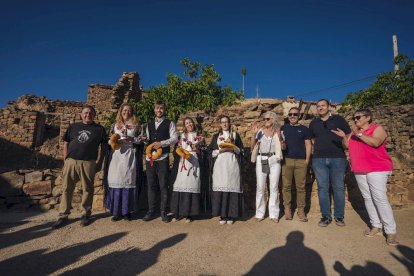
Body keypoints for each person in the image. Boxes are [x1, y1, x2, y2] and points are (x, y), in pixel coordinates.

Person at [332, 109, 399, 246]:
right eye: (354, 118)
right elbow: (347, 146)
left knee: (379, 198)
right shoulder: (354, 133)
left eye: (358, 117)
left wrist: (359, 133)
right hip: (360, 169)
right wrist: (345, 136)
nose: (355, 120)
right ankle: (376, 226)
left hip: (377, 168)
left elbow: (376, 142)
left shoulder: (377, 128)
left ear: (368, 117)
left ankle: (390, 231)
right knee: (367, 198)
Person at [52, 105, 107, 228]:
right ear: (81, 115)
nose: (88, 115)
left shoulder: (100, 129)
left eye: (91, 113)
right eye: (86, 113)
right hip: (71, 161)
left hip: (88, 162)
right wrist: (66, 158)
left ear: (94, 115)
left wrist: (100, 162)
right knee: (67, 188)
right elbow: (66, 142)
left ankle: (85, 214)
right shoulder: (73, 127)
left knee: (87, 189)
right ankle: (63, 216)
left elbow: (103, 148)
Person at [309, 99, 351, 227]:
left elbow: (348, 134)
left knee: (338, 188)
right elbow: (312, 138)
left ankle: (339, 217)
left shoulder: (338, 120)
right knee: (322, 188)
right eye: (318, 106)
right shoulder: (313, 123)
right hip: (319, 159)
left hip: (338, 158)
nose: (320, 108)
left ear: (328, 107)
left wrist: (344, 139)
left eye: (323, 105)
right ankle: (326, 217)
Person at [143, 100, 178, 223]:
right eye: (157, 108)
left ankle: (163, 211)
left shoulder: (170, 123)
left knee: (163, 185)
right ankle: (151, 211)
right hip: (150, 159)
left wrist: (162, 143)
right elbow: (147, 140)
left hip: (163, 157)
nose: (159, 110)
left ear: (164, 109)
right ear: (154, 109)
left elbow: (174, 138)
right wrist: (144, 140)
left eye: (161, 108)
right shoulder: (148, 124)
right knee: (151, 184)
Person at [106, 103, 143, 221]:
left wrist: (132, 139)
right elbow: (109, 141)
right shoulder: (114, 125)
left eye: (129, 110)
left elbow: (140, 140)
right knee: (116, 181)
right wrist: (115, 141)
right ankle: (116, 212)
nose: (126, 112)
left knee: (127, 181)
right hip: (117, 156)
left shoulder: (136, 126)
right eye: (124, 110)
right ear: (120, 112)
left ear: (132, 112)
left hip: (129, 155)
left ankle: (126, 212)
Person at [208, 115, 244, 225]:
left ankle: (231, 215)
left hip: (232, 165)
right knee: (221, 190)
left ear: (229, 123)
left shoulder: (235, 135)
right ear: (220, 124)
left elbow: (241, 151)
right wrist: (220, 150)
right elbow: (210, 152)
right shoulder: (216, 137)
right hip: (220, 166)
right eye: (222, 122)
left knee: (231, 189)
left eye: (226, 122)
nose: (224, 124)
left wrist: (233, 146)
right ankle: (223, 215)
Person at [251, 111, 283, 223]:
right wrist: (253, 134)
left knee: (274, 187)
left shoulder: (278, 131)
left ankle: (273, 214)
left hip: (275, 159)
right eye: (264, 119)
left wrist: (280, 137)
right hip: (262, 159)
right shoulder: (259, 132)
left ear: (273, 119)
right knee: (260, 187)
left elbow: (283, 147)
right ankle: (259, 213)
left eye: (268, 119)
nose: (265, 121)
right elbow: (252, 146)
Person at [170, 117, 204, 223]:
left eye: (190, 122)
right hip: (183, 163)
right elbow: (176, 151)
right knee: (180, 186)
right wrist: (180, 150)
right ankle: (178, 212)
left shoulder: (199, 137)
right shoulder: (182, 136)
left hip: (194, 162)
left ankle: (189, 214)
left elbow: (204, 151)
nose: (189, 124)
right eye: (187, 123)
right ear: (184, 126)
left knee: (191, 186)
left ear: (193, 124)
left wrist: (197, 150)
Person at [281, 107, 311, 222]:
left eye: (295, 114)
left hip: (300, 161)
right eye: (290, 114)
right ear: (288, 116)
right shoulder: (283, 128)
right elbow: (280, 144)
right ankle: (287, 209)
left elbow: (308, 145)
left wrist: (307, 160)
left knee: (301, 187)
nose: (292, 116)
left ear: (299, 116)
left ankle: (301, 210)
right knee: (286, 186)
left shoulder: (304, 129)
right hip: (286, 160)